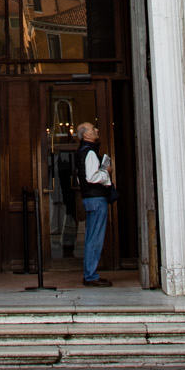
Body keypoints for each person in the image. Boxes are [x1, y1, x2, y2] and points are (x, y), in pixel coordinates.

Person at [76, 121, 114, 286]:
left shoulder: (82, 151)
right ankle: (91, 275)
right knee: (95, 238)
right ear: (86, 134)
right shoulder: (90, 152)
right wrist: (107, 172)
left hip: (89, 198)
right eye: (93, 128)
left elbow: (80, 177)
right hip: (96, 198)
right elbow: (91, 177)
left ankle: (89, 273)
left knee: (91, 237)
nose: (96, 130)